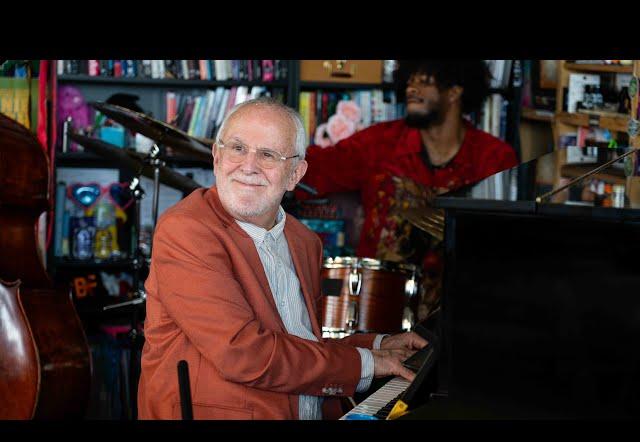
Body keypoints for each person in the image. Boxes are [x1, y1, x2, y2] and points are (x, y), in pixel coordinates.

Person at [137, 97, 428, 420]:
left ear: (295, 174)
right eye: (237, 148)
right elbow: (243, 353)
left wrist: (379, 345)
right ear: (217, 158)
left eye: (268, 155)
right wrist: (371, 363)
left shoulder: (303, 241)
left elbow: (298, 344)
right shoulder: (187, 230)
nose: (248, 166)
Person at [299, 60, 519, 320]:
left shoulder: (494, 158)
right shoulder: (378, 143)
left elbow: (504, 245)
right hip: (377, 309)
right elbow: (316, 168)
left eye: (424, 81)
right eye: (410, 80)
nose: (412, 88)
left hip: (461, 312)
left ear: (454, 91)